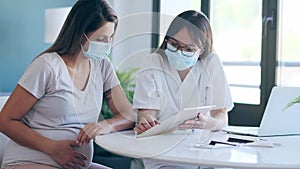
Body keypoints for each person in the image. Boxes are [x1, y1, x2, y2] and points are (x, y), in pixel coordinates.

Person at [0, 0, 135, 168]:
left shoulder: (102, 66)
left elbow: (128, 115)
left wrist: (105, 125)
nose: (106, 45)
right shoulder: (47, 66)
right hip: (30, 161)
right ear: (80, 33)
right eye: (100, 39)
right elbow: (5, 120)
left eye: (110, 38)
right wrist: (52, 148)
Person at [133, 10, 234, 169]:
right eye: (173, 44)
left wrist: (208, 123)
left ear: (202, 49)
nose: (179, 52)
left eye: (188, 49)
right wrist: (147, 123)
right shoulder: (154, 62)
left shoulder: (211, 62)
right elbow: (147, 114)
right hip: (163, 155)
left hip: (203, 155)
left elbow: (222, 117)